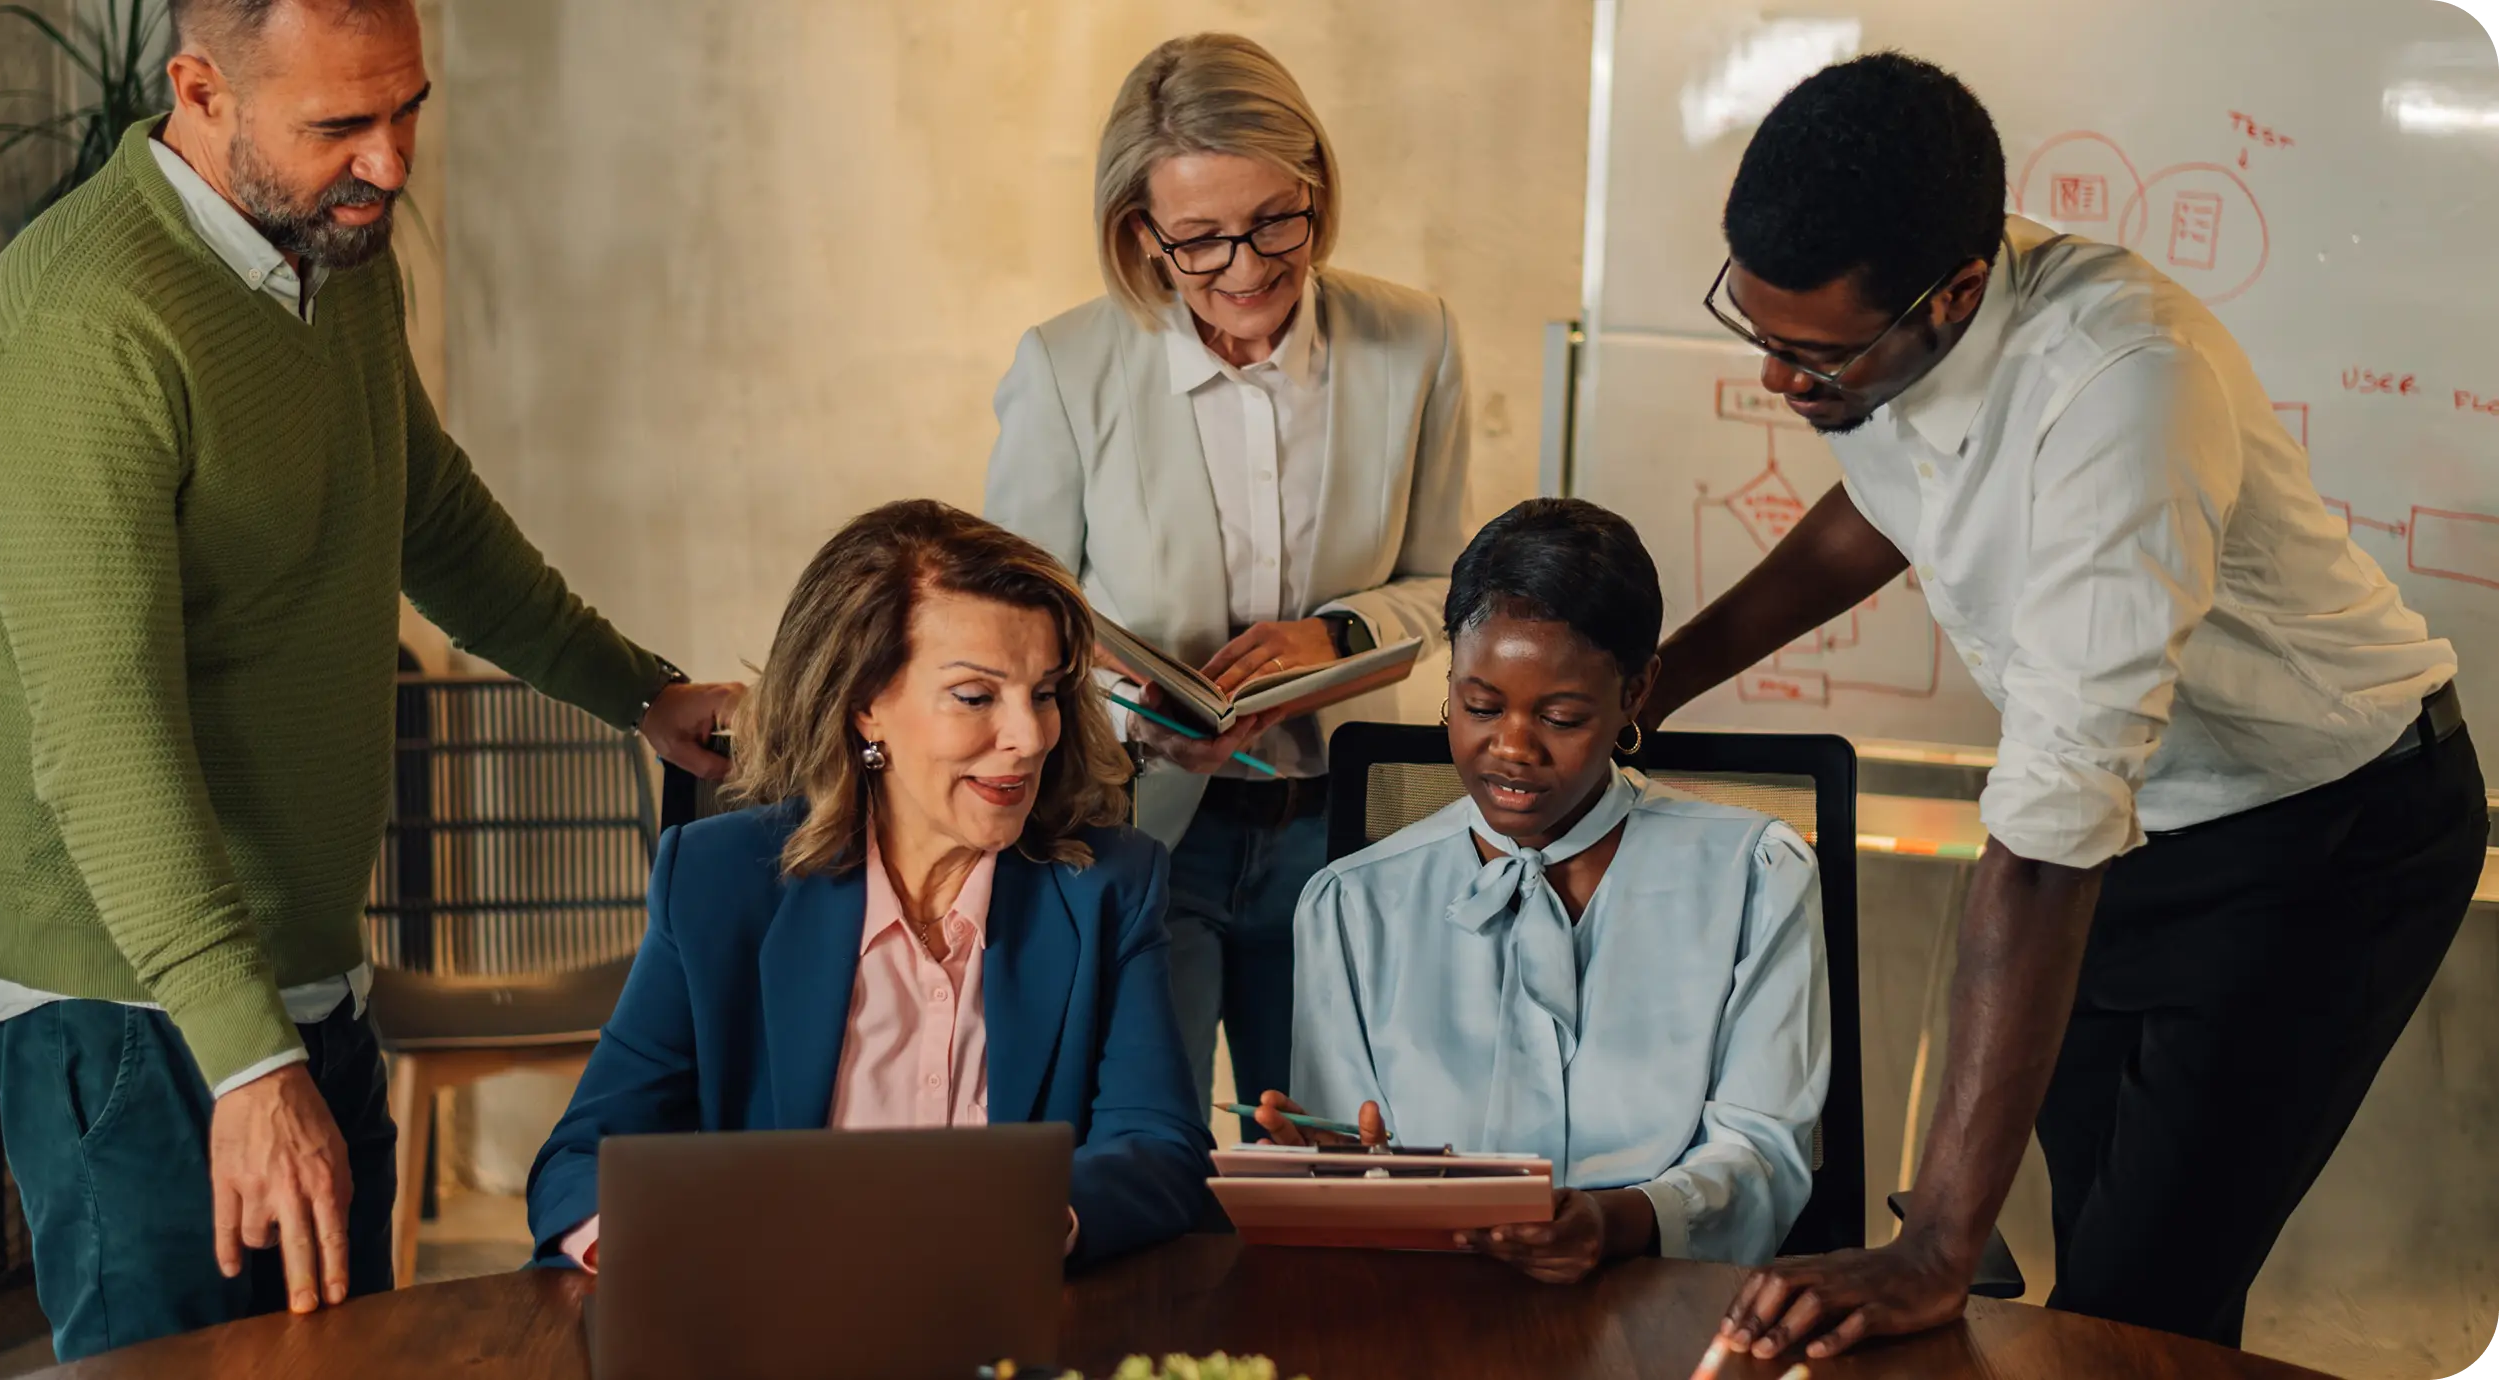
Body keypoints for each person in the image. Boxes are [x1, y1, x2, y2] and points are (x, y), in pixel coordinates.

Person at [0, 0, 738, 1359]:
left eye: (407, 107)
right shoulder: (77, 330)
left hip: (296, 965)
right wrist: (249, 1061)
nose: (391, 162)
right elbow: (105, 739)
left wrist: (639, 690)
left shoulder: (332, 253)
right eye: (339, 125)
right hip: (122, 1003)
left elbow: (426, 514)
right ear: (198, 90)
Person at [1654, 55, 2481, 1359]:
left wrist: (1929, 1247)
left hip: (2325, 836)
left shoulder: (2120, 393)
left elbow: (2043, 850)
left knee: (2132, 1303)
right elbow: (1874, 512)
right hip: (2142, 821)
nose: (1778, 384)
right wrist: (1656, 682)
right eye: (1759, 338)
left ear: (1957, 296)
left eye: (1812, 358)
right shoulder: (1900, 318)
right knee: (2112, 1253)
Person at [985, 33, 1473, 1132]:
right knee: (1152, 1151)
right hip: (1144, 821)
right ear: (1140, 235)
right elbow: (1010, 620)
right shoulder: (1067, 366)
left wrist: (1341, 635)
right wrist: (1141, 710)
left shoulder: (1414, 340)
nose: (1246, 269)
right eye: (1200, 240)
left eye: (1274, 223)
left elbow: (1448, 578)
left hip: (1341, 823)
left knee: (1328, 1149)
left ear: (1315, 192)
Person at [526, 501, 1212, 1270]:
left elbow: (1158, 1149)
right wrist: (660, 1257)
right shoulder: (718, 883)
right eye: (977, 696)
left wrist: (1026, 1223)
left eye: (1044, 692)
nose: (1028, 738)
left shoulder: (1109, 886)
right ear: (865, 707)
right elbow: (580, 1160)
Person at [1255, 498, 1828, 1282]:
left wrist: (1619, 1220)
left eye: (1560, 716)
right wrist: (1330, 1176)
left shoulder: (1752, 877)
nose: (1511, 749)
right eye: (1479, 706)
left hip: (1661, 1297)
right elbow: (1354, 1159)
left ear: (1635, 694)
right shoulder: (1351, 907)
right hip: (1433, 1307)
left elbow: (1762, 1152)